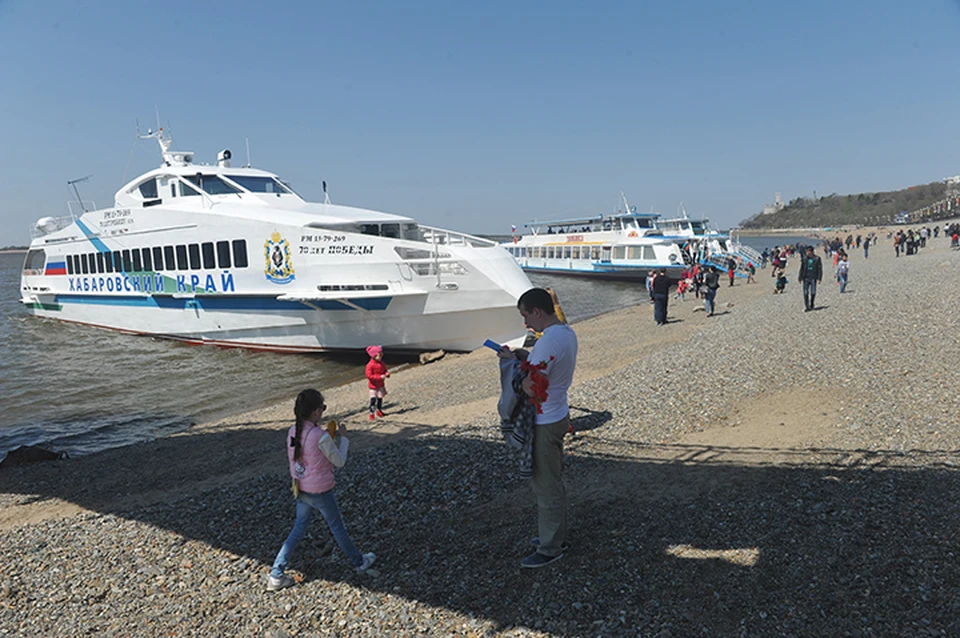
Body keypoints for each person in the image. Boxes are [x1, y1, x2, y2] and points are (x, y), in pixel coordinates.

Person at [497, 288, 578, 568]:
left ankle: (551, 547)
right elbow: (545, 369)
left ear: (537, 312)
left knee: (545, 486)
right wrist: (522, 357)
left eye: (525, 315)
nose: (525, 323)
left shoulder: (547, 343)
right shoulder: (566, 333)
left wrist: (514, 374)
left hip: (543, 421)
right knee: (553, 480)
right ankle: (556, 534)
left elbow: (534, 388)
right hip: (559, 413)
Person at [268, 389, 376, 591]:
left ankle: (276, 574)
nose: (324, 411)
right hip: (320, 490)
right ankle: (360, 562)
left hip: (300, 487)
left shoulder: (293, 430)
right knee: (337, 527)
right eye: (323, 408)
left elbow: (309, 451)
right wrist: (342, 438)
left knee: (298, 529)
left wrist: (327, 438)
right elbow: (339, 461)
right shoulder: (319, 436)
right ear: (316, 412)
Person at [365, 345, 390, 420]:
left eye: (381, 355)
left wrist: (386, 374)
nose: (381, 357)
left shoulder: (381, 363)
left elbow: (385, 370)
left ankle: (379, 410)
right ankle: (371, 413)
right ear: (374, 356)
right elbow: (369, 375)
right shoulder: (370, 365)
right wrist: (379, 377)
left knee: (380, 399)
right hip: (373, 386)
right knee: (373, 400)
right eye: (379, 355)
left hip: (380, 385)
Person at [798, 246, 823, 311]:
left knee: (813, 292)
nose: (807, 253)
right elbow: (802, 268)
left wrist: (819, 278)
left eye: (808, 251)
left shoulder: (817, 258)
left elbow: (819, 269)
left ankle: (812, 303)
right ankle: (807, 306)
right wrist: (800, 277)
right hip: (805, 277)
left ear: (811, 251)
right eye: (806, 251)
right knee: (805, 293)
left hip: (813, 277)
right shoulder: (804, 258)